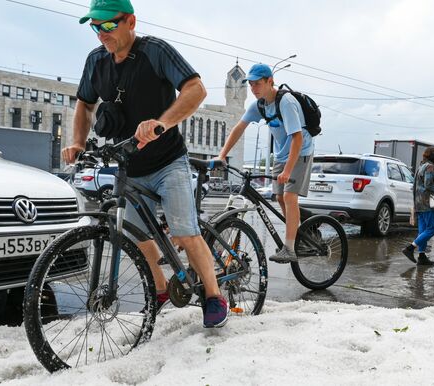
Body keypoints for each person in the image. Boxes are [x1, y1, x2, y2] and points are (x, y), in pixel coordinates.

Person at [61, 0, 228, 328]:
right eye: (95, 27)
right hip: (129, 168)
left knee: (185, 231)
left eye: (108, 25)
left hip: (168, 162)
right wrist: (78, 142)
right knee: (137, 237)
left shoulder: (155, 52)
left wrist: (160, 123)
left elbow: (196, 89)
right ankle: (162, 291)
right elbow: (84, 103)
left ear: (130, 22)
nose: (101, 34)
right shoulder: (96, 62)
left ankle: (213, 295)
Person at [217, 63, 314, 263]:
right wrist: (222, 155)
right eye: (251, 85)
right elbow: (238, 128)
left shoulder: (285, 102)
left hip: (301, 150)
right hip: (280, 154)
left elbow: (297, 138)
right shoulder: (258, 105)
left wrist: (287, 170)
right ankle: (304, 224)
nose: (253, 89)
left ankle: (290, 248)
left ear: (270, 81)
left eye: (257, 84)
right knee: (279, 198)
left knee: (289, 196)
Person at [402, 147, 434, 266]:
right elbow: (428, 184)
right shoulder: (429, 166)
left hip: (418, 203)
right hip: (426, 203)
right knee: (432, 229)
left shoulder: (421, 166)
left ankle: (422, 256)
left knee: (423, 230)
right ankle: (410, 248)